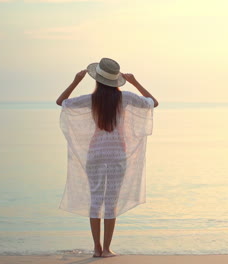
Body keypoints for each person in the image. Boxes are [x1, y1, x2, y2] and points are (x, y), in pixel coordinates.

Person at [56, 58, 158, 258]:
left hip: (94, 154)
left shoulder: (92, 100)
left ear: (98, 79)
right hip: (117, 155)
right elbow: (153, 103)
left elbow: (61, 102)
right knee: (110, 201)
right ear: (116, 80)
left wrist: (76, 80)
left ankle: (96, 248)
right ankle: (106, 250)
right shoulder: (126, 98)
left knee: (95, 200)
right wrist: (136, 82)